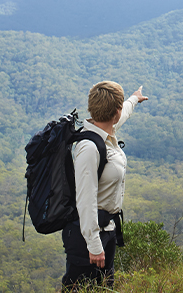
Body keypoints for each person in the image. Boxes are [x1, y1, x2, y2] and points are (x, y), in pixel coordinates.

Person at [61, 81, 148, 290]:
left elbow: (122, 114)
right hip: (88, 238)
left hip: (107, 229)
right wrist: (94, 245)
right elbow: (85, 200)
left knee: (104, 288)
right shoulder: (89, 148)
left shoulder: (105, 130)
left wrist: (134, 99)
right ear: (114, 112)